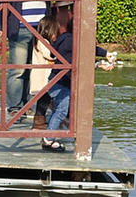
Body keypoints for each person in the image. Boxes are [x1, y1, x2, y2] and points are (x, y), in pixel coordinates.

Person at [42, 16, 107, 152]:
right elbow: (77, 59)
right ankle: (48, 139)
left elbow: (86, 51)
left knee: (61, 109)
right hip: (59, 82)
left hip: (59, 81)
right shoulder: (70, 41)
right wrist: (99, 62)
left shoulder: (68, 39)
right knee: (61, 110)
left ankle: (51, 136)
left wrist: (104, 55)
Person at [29, 13, 60, 132]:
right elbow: (50, 55)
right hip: (42, 77)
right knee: (43, 99)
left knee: (45, 99)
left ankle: (41, 119)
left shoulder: (40, 41)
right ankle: (38, 121)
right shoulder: (42, 42)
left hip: (43, 76)